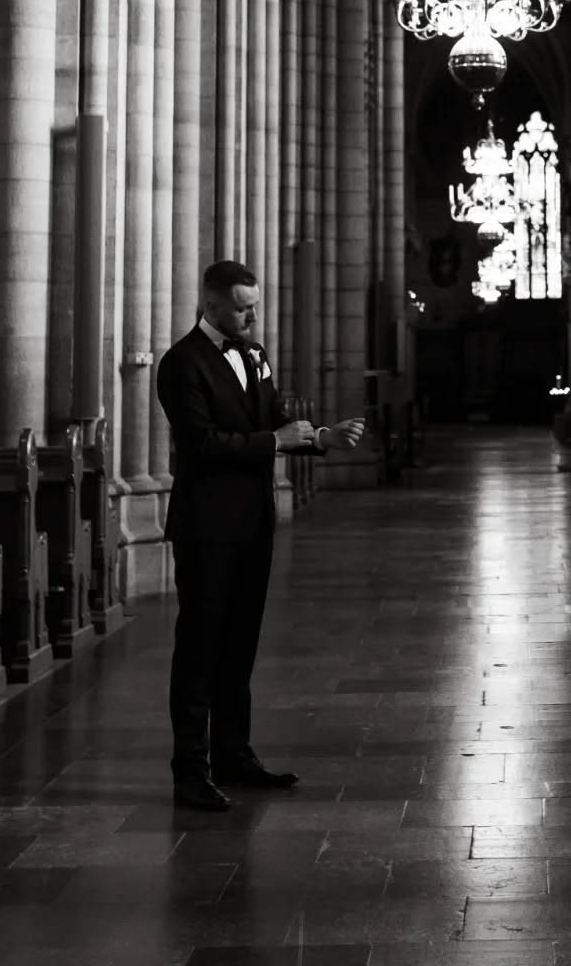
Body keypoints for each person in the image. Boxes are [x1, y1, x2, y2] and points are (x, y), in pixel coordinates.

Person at [156, 258, 365, 811]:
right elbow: (202, 445)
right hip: (207, 526)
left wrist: (322, 437)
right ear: (211, 306)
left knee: (240, 643)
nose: (253, 316)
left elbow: (273, 422)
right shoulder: (181, 364)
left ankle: (233, 754)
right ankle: (189, 772)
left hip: (252, 521)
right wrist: (274, 440)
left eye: (255, 306)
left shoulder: (256, 355)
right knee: (200, 648)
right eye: (244, 307)